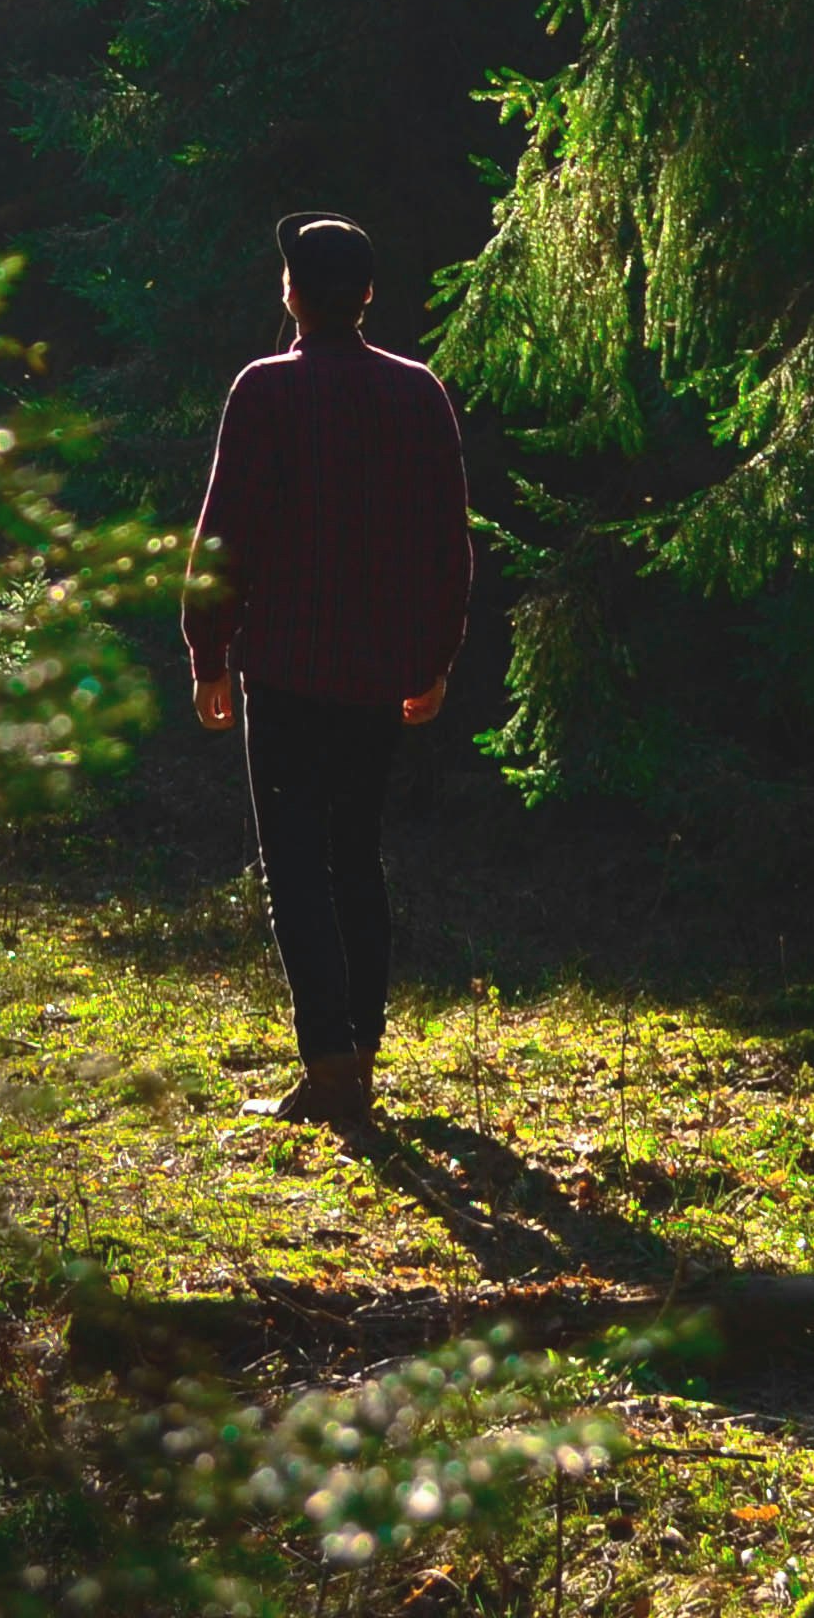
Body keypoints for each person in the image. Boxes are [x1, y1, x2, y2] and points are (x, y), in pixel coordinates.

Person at [186, 213, 472, 1128]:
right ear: (370, 297)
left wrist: (209, 653)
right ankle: (359, 1066)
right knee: (355, 858)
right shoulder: (417, 393)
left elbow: (223, 537)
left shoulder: (263, 390)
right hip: (376, 674)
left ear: (293, 295)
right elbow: (447, 547)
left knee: (298, 864)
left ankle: (333, 1069)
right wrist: (433, 660)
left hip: (284, 667)